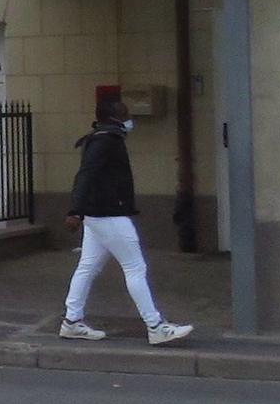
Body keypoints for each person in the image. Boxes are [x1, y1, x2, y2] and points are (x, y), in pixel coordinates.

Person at [61, 93, 192, 347]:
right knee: (135, 268)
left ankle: (71, 321)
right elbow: (86, 175)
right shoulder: (107, 141)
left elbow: (87, 175)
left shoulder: (101, 139)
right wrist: (75, 210)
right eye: (125, 113)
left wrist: (79, 210)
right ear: (114, 117)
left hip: (97, 215)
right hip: (110, 215)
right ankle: (155, 326)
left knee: (87, 267)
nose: (129, 117)